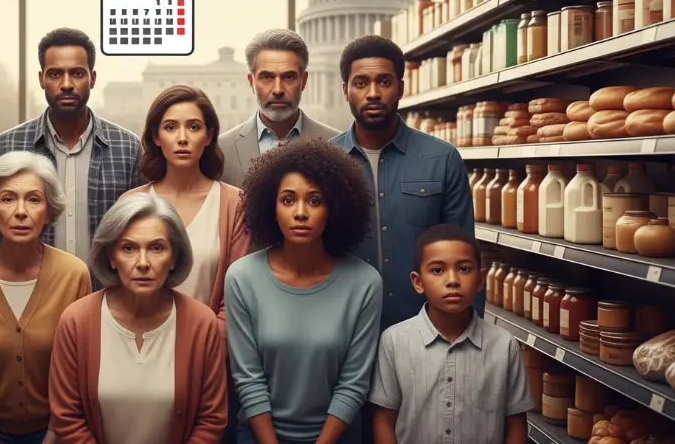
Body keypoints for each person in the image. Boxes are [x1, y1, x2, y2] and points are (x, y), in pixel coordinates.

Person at [225, 137, 382, 444]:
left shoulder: (365, 283)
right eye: (287, 200)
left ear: (334, 209)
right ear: (270, 208)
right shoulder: (242, 278)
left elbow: (354, 384)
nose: (300, 213)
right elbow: (248, 380)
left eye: (314, 200)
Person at [48, 193, 228, 444]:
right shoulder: (76, 321)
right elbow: (67, 418)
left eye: (156, 248)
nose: (143, 263)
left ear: (175, 256)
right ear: (111, 257)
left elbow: (212, 418)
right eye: (128, 248)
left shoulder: (202, 323)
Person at [329, 35, 476, 330]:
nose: (372, 93)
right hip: (346, 332)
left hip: (427, 332)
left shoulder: (442, 159)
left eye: (384, 82)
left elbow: (465, 257)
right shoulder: (326, 164)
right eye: (360, 83)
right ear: (345, 90)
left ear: (401, 88)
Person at [0, 151, 92, 444]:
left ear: (49, 212)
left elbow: (80, 371)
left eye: (34, 200)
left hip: (61, 431)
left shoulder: (74, 275)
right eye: (8, 198)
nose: (21, 211)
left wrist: (54, 434)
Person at [0, 27, 142, 263]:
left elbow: (139, 231)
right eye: (55, 74)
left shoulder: (127, 148)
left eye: (77, 73)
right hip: (32, 293)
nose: (67, 84)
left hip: (105, 294)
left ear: (93, 78)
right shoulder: (8, 146)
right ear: (41, 79)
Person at [369, 224, 533, 444]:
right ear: (418, 282)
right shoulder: (394, 342)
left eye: (464, 269)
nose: (453, 280)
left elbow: (516, 423)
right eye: (437, 270)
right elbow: (384, 420)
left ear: (480, 280)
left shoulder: (504, 345)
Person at [120, 85, 251, 317]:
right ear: (155, 137)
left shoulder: (234, 203)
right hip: (141, 343)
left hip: (210, 345)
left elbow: (236, 295)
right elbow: (120, 287)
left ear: (209, 136)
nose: (182, 138)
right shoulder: (130, 202)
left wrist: (210, 346)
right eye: (170, 127)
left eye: (193, 127)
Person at [217, 29, 339, 188]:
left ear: (304, 81)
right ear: (251, 81)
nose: (278, 90)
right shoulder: (221, 150)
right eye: (266, 77)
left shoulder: (336, 145)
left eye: (289, 77)